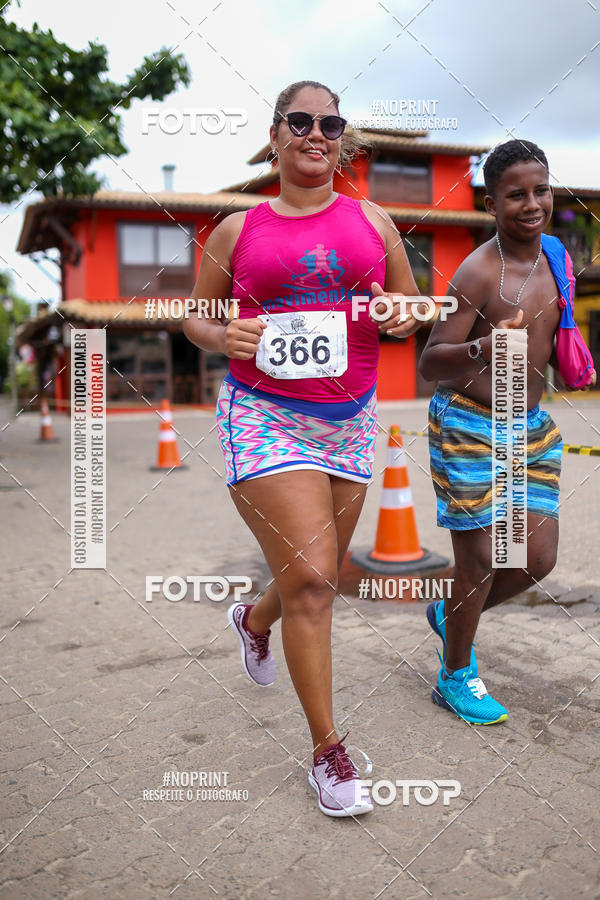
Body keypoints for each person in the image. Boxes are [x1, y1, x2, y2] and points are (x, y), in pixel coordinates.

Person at [183, 80, 422, 816]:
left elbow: (411, 310)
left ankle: (253, 622)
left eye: (331, 123)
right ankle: (327, 751)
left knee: (308, 577)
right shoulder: (237, 229)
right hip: (263, 415)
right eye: (301, 121)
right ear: (277, 133)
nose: (317, 133)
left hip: (349, 420)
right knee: (317, 583)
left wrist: (396, 312)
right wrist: (225, 334)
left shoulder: (373, 221)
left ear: (341, 138)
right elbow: (197, 316)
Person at [419, 139, 596, 726]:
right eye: (515, 194)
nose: (531, 203)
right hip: (468, 424)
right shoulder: (477, 271)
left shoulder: (557, 257)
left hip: (532, 426)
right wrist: (482, 346)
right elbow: (431, 360)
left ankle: (452, 619)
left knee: (537, 559)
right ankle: (455, 675)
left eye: (540, 190)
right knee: (479, 564)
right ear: (491, 203)